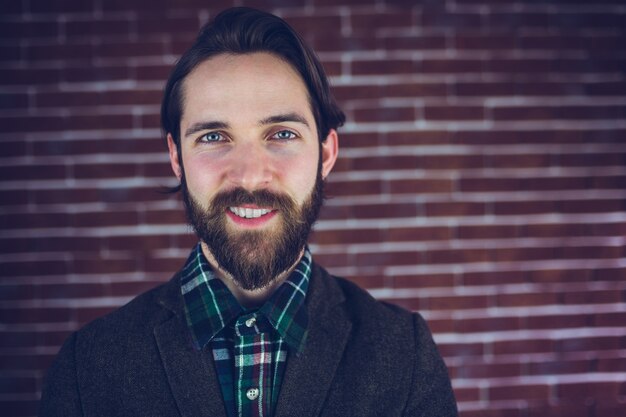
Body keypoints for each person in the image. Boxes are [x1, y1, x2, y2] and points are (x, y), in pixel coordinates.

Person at [39, 7, 458, 417]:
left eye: (281, 134)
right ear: (176, 157)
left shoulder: (405, 354)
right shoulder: (87, 367)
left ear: (326, 153)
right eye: (214, 136)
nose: (250, 177)